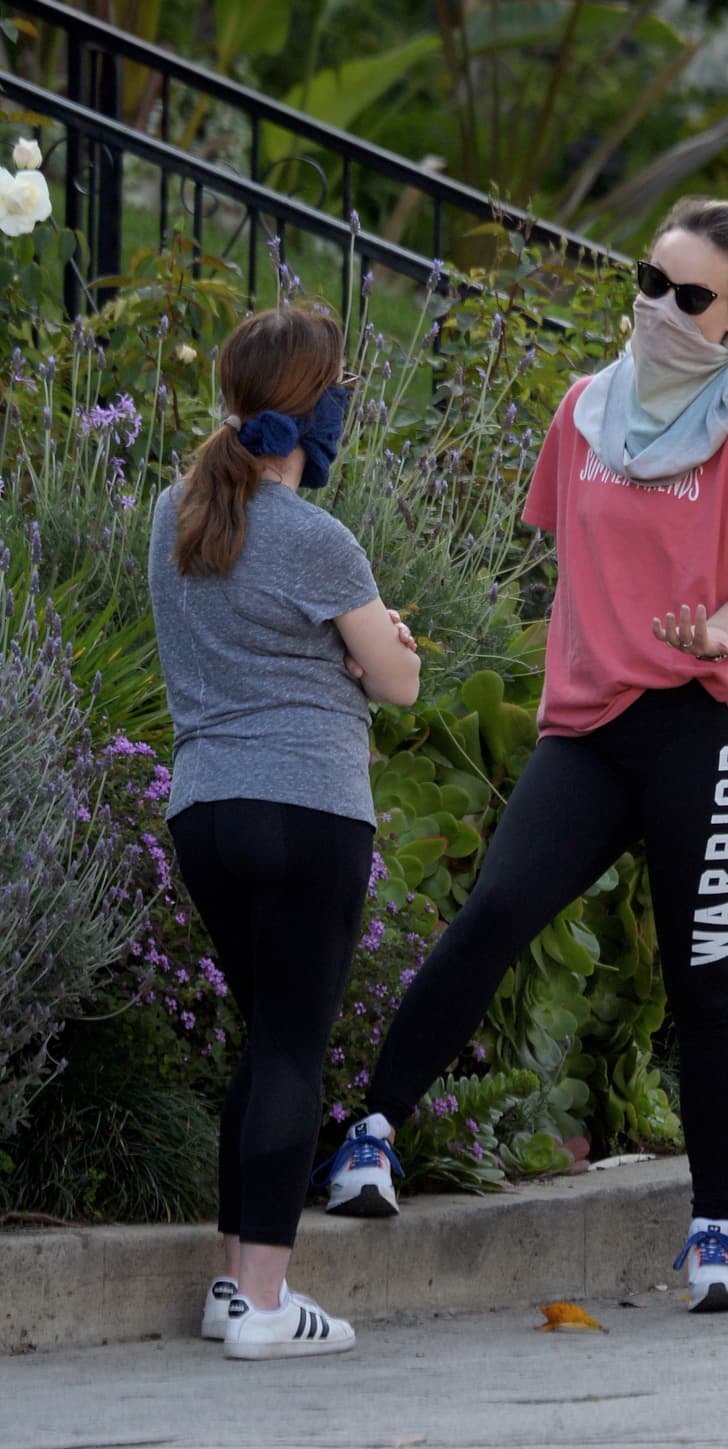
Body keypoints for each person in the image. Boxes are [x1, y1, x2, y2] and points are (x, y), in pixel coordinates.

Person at [321, 197, 728, 1313]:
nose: (657, 307)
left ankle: (714, 1234)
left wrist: (715, 635)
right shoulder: (585, 408)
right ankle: (369, 1135)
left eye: (689, 296)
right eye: (647, 281)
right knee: (496, 910)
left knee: (702, 981)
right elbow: (565, 555)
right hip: (590, 726)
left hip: (708, 727)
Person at [147, 307, 421, 1360]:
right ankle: (263, 1302)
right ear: (318, 405)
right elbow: (397, 684)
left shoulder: (174, 515)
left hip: (208, 810)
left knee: (266, 1048)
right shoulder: (317, 539)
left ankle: (232, 1284)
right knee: (295, 1049)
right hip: (308, 808)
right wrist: (375, 645)